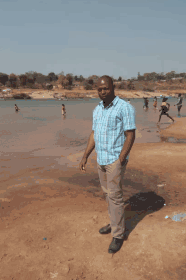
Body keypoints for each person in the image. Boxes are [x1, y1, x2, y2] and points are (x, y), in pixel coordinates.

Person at [79, 75, 136, 254]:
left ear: (113, 88)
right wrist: (85, 156)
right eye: (100, 89)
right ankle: (114, 224)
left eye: (106, 88)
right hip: (101, 159)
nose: (103, 92)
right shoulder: (97, 109)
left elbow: (130, 135)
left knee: (115, 196)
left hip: (114, 160)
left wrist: (121, 158)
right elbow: (94, 134)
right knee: (107, 194)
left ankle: (118, 235)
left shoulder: (124, 107)